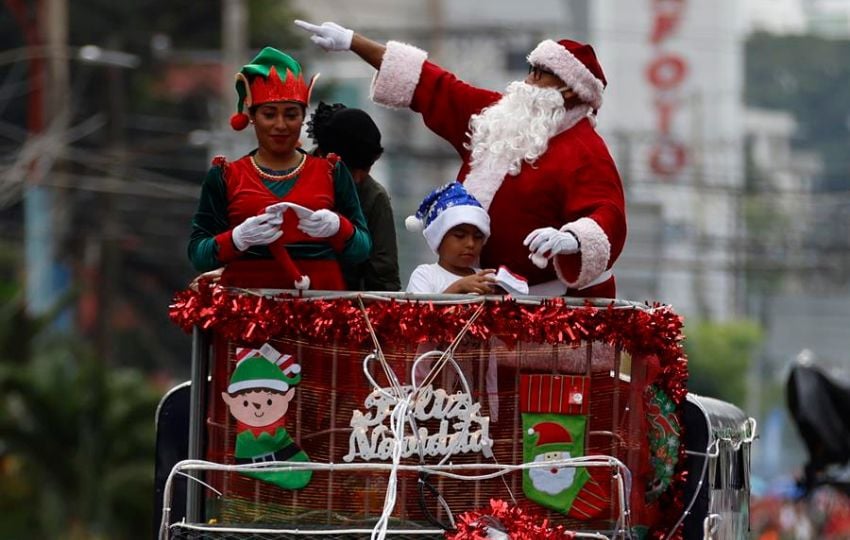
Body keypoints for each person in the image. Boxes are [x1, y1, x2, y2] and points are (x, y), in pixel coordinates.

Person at [295, 20, 626, 298]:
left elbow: (607, 214)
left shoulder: (586, 151)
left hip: (548, 312)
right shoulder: (498, 117)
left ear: (569, 89)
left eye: (541, 73)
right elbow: (432, 85)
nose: (528, 80)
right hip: (471, 294)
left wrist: (573, 239)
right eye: (531, 69)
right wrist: (353, 42)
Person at [187, 46, 371, 290]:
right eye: (270, 114)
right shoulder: (225, 176)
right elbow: (198, 254)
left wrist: (339, 227)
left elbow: (362, 249)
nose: (281, 125)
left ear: (303, 116)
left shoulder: (331, 171)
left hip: (320, 310)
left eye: (291, 114)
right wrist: (237, 239)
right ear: (252, 117)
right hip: (245, 309)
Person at [307, 102, 401, 291]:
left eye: (366, 168)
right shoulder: (292, 175)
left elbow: (383, 278)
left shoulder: (374, 197)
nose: (357, 179)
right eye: (350, 169)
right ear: (323, 155)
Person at [404, 182, 495, 295]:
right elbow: (419, 311)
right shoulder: (425, 275)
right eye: (460, 236)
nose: (471, 244)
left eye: (478, 237)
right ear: (439, 238)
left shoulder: (488, 279)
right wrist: (458, 287)